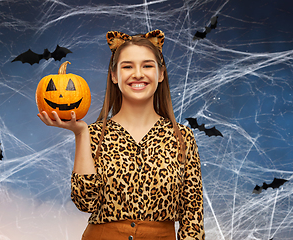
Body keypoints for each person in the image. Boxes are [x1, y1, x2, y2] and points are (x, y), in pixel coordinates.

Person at [38, 29, 205, 240]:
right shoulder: (94, 134)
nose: (137, 74)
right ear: (114, 75)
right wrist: (81, 134)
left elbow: (193, 217)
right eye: (127, 66)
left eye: (147, 66)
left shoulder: (182, 136)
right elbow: (85, 202)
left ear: (161, 74)